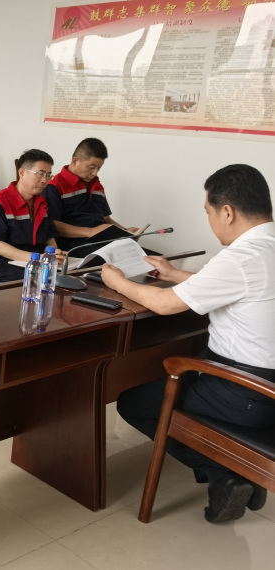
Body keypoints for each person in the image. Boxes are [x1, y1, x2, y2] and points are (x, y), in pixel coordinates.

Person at [101, 164, 275, 524]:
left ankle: (227, 473)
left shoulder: (240, 258)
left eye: (208, 212)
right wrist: (175, 273)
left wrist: (117, 282)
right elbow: (242, 287)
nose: (210, 221)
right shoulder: (262, 249)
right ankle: (232, 471)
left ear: (227, 212)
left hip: (245, 392)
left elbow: (165, 305)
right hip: (265, 386)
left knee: (135, 403)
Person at [43, 138, 138, 251]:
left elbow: (106, 218)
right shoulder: (54, 187)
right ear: (75, 161)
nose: (95, 173)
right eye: (91, 168)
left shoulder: (96, 185)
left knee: (151, 257)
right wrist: (90, 232)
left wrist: (126, 232)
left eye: (99, 168)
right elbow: (51, 224)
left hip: (103, 243)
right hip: (75, 245)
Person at [0, 149, 60, 282]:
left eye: (48, 175)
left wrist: (53, 254)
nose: (44, 180)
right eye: (40, 174)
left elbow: (49, 236)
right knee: (40, 277)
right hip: (3, 263)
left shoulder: (42, 202)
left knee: (66, 271)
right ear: (21, 172)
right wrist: (37, 258)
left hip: (35, 260)